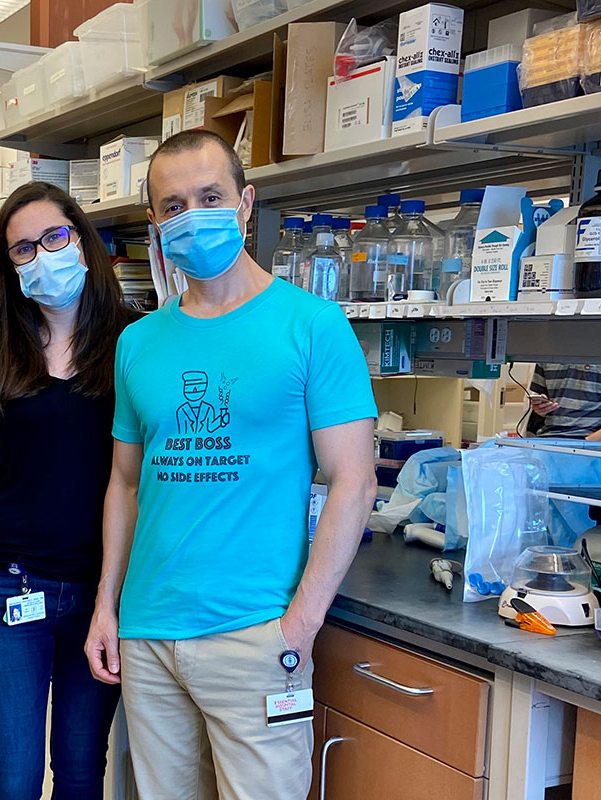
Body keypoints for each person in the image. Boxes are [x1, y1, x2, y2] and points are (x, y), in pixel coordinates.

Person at [84, 131, 379, 800]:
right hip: (150, 630)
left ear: (246, 204)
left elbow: (353, 481)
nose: (193, 216)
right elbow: (125, 484)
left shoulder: (312, 325)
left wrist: (301, 624)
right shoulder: (138, 343)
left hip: (255, 631)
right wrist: (108, 607)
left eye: (209, 196)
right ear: (155, 224)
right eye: (173, 204)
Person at [0, 182, 130, 800]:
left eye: (54, 237)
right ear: (8, 266)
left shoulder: (134, 343)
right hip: (4, 584)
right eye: (22, 249)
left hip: (103, 592)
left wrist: (114, 596)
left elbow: (141, 476)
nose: (42, 256)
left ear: (82, 240)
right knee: (13, 779)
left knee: (80, 772)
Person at [528, 363, 601, 441]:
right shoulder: (547, 354)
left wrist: (589, 442)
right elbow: (539, 399)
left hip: (591, 443)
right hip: (548, 441)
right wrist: (540, 406)